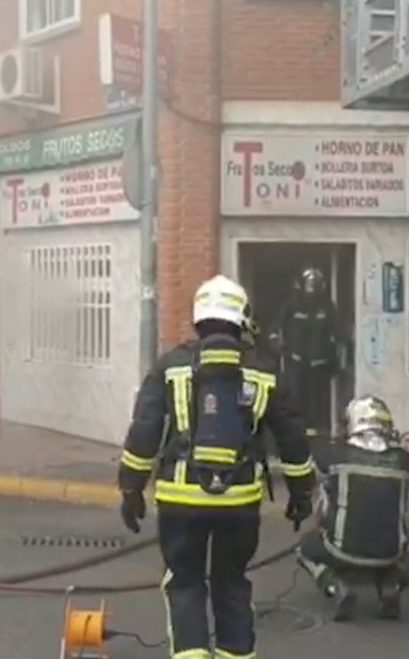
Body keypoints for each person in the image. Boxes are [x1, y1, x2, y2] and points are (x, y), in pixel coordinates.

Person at [117, 274, 317, 659]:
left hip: (179, 498)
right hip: (240, 501)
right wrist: (301, 493)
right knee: (231, 583)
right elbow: (292, 438)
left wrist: (131, 489)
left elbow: (144, 431)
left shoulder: (170, 366)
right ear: (242, 317)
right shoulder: (264, 371)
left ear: (198, 316)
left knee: (186, 582)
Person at [297, 395, 409, 622]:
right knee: (390, 552)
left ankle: (335, 585)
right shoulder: (403, 459)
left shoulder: (337, 454)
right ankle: (389, 587)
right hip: (390, 553)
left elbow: (315, 455)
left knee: (305, 548)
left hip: (341, 550)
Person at [268, 266, 344, 439]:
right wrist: (278, 346)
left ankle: (322, 433)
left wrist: (340, 347)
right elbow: (274, 329)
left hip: (321, 366)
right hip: (294, 363)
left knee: (320, 402)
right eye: (309, 282)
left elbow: (338, 331)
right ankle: (297, 431)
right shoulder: (290, 305)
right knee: (294, 399)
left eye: (315, 283)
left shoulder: (327, 307)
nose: (312, 287)